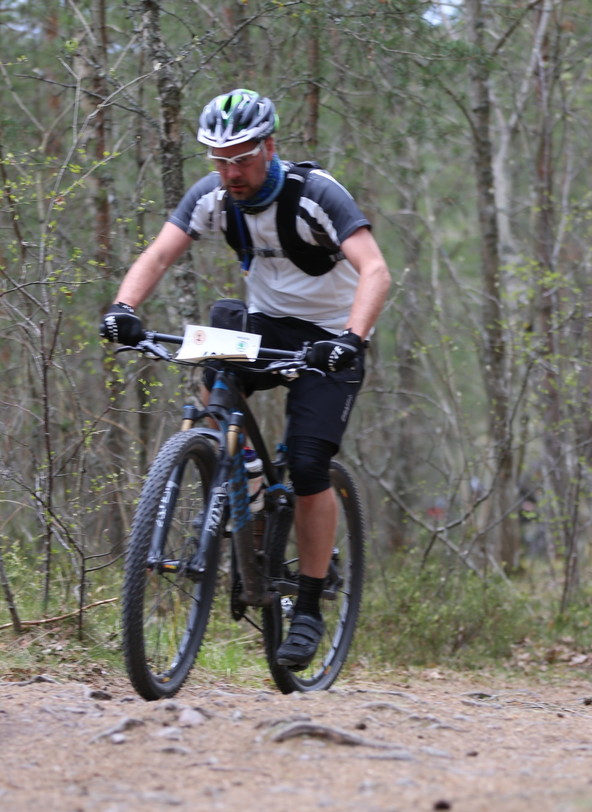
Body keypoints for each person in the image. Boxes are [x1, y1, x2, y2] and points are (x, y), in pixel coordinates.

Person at [101, 88, 391, 668]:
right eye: (219, 159)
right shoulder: (213, 196)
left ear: (270, 147)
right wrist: (124, 308)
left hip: (330, 338)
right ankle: (246, 478)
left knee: (309, 466)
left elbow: (376, 270)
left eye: (242, 157)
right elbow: (159, 255)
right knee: (216, 333)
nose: (231, 171)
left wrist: (350, 341)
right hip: (264, 328)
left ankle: (307, 608)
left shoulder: (317, 196)